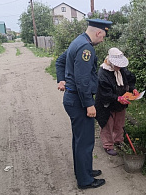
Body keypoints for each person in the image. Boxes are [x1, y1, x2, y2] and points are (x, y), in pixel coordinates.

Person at [55, 19, 112, 190]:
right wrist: (89, 104)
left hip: (73, 98)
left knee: (80, 140)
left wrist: (62, 79)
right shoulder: (86, 48)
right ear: (98, 33)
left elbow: (60, 61)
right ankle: (85, 180)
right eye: (103, 36)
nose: (102, 40)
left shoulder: (77, 41)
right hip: (79, 101)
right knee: (85, 141)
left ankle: (83, 171)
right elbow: (82, 80)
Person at [95, 47, 138, 156]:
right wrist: (118, 98)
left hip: (121, 103)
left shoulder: (121, 69)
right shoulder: (103, 73)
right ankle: (108, 145)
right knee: (107, 125)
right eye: (117, 65)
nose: (119, 67)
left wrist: (133, 89)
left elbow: (129, 79)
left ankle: (118, 141)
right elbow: (104, 93)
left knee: (119, 123)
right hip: (107, 104)